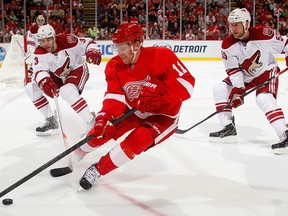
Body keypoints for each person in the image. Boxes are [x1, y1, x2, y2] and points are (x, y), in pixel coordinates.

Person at [76, 23, 195, 190]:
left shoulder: (162, 56)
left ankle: (98, 170)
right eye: (116, 48)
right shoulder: (114, 65)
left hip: (164, 115)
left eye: (122, 48)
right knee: (102, 130)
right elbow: (114, 96)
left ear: (137, 45)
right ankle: (77, 153)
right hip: (133, 110)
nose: (119, 53)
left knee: (138, 141)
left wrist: (162, 93)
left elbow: (188, 84)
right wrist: (105, 116)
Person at [208, 8, 288, 155]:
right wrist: (238, 90)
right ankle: (228, 128)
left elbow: (285, 45)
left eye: (236, 24)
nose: (232, 28)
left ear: (246, 23)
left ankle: (284, 133)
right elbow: (233, 70)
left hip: (266, 71)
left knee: (263, 98)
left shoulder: (264, 35)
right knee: (219, 89)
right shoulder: (227, 44)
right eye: (231, 24)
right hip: (245, 75)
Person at [27, 24, 101, 136]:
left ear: (54, 38)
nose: (46, 44)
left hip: (77, 69)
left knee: (66, 91)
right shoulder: (39, 52)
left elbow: (89, 43)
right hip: (58, 75)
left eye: (48, 40)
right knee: (31, 88)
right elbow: (39, 71)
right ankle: (51, 120)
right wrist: (45, 82)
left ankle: (91, 121)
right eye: (42, 41)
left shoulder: (68, 40)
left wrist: (92, 51)